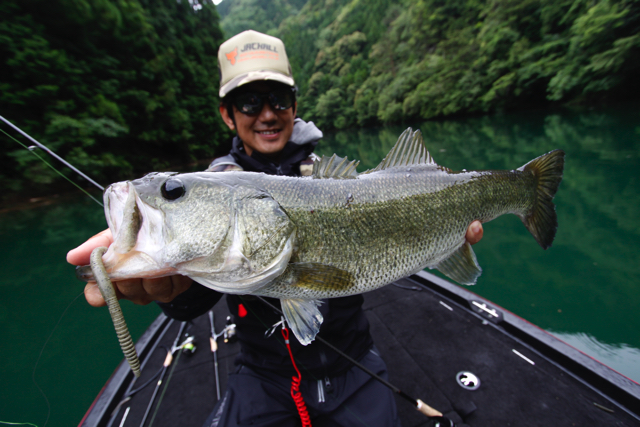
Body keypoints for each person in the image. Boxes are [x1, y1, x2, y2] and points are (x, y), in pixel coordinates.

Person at [67, 30, 484, 427]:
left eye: (279, 99)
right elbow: (190, 303)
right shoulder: (217, 185)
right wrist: (170, 287)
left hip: (352, 357)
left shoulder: (333, 177)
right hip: (261, 372)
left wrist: (441, 236)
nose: (267, 113)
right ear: (227, 115)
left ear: (294, 106)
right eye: (249, 103)